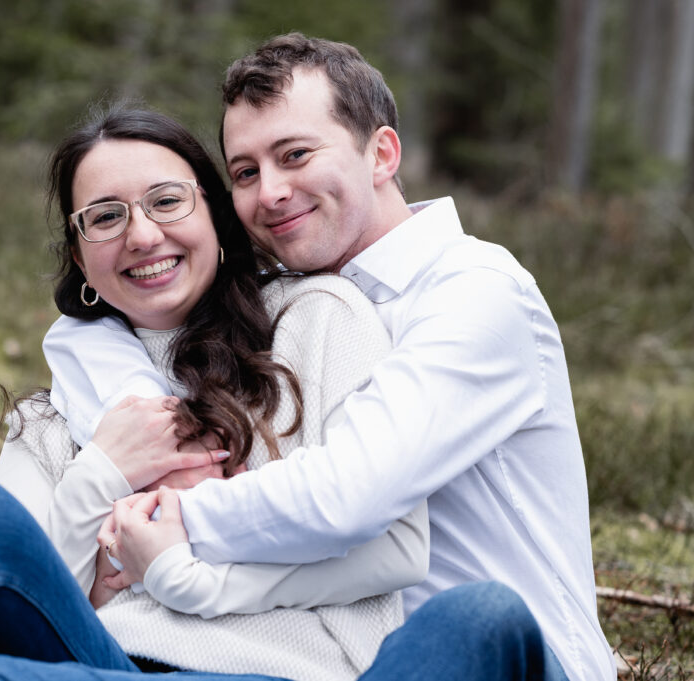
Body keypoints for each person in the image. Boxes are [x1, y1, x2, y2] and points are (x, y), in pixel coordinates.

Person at [0, 106, 429, 681]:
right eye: (104, 217)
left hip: (274, 668)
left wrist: (175, 569)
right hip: (103, 660)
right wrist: (102, 470)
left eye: (167, 201)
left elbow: (388, 548)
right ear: (79, 255)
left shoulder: (315, 322)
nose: (142, 234)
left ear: (217, 218)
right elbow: (32, 594)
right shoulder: (46, 420)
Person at [42, 34, 615, 681]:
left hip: (499, 653)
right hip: (360, 662)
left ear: (382, 152)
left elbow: (349, 492)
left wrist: (170, 517)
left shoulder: (475, 289)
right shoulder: (286, 306)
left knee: (474, 614)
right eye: (247, 172)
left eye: (296, 155)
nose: (272, 192)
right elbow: (121, 320)